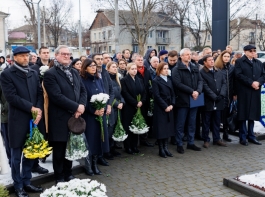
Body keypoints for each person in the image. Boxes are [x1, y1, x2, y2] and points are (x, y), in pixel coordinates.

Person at [1, 46, 44, 197]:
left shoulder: (33, 72)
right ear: (15, 58)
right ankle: (18, 185)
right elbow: (11, 97)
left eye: (27, 55)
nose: (26, 58)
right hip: (17, 120)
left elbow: (39, 93)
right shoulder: (7, 74)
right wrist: (32, 108)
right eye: (22, 56)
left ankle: (27, 181)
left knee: (30, 153)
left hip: (33, 119)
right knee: (16, 156)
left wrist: (38, 109)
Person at [43, 45, 87, 183]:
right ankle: (59, 177)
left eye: (68, 54)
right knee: (60, 150)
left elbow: (83, 91)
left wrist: (81, 106)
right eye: (63, 54)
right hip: (59, 118)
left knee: (71, 147)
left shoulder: (74, 72)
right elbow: (56, 96)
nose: (67, 56)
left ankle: (69, 173)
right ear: (56, 56)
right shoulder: (50, 74)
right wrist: (76, 107)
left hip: (75, 116)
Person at [80, 59, 109, 175]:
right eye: (91, 66)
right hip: (89, 116)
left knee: (99, 139)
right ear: (85, 67)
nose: (94, 67)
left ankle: (95, 163)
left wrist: (103, 107)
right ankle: (88, 165)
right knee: (90, 140)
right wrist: (93, 110)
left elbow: (104, 94)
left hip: (100, 115)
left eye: (95, 66)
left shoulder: (98, 79)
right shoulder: (82, 80)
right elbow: (83, 99)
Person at [172, 48, 203, 154]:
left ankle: (191, 142)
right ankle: (179, 144)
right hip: (182, 100)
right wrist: (191, 91)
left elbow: (200, 80)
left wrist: (198, 91)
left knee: (192, 122)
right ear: (181, 56)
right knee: (180, 123)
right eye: (186, 55)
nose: (189, 56)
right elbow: (178, 84)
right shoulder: (177, 69)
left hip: (194, 99)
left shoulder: (194, 67)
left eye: (190, 54)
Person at [235, 45, 265, 146]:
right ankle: (243, 137)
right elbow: (238, 75)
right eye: (251, 51)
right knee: (243, 115)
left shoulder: (258, 62)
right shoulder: (240, 62)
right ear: (245, 51)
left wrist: (258, 83)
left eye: (254, 51)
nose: (253, 52)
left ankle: (251, 136)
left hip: (255, 91)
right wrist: (251, 82)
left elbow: (263, 75)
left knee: (252, 114)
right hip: (244, 91)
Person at [200, 55, 227, 148]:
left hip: (219, 100)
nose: (212, 61)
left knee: (217, 121)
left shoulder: (218, 71)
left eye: (212, 60)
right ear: (205, 62)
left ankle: (217, 139)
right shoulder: (202, 72)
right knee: (206, 121)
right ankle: (206, 139)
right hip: (208, 101)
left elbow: (224, 83)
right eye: (209, 60)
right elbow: (204, 86)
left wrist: (222, 94)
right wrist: (213, 96)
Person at [92, 53, 114, 162]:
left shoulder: (105, 73)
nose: (100, 61)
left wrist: (109, 104)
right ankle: (96, 157)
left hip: (106, 106)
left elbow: (111, 90)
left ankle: (102, 155)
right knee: (96, 133)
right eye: (97, 59)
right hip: (95, 108)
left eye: (101, 59)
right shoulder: (91, 74)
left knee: (104, 131)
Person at [121, 62, 146, 154]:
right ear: (128, 70)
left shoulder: (139, 79)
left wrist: (142, 101)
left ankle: (134, 145)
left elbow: (144, 92)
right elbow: (125, 93)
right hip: (129, 107)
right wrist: (135, 103)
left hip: (139, 106)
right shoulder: (124, 80)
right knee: (128, 126)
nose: (135, 70)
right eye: (132, 69)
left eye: (135, 69)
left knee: (136, 125)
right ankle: (128, 146)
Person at [152, 62, 175, 158]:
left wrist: (172, 104)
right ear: (160, 70)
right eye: (164, 68)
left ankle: (166, 148)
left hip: (169, 106)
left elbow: (173, 93)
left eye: (167, 68)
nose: (166, 70)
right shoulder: (156, 80)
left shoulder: (169, 80)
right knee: (161, 129)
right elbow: (156, 96)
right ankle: (161, 149)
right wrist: (165, 106)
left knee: (168, 129)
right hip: (161, 108)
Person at [215, 50, 235, 142]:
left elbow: (234, 81)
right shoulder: (217, 68)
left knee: (227, 115)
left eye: (228, 56)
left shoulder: (232, 68)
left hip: (229, 95)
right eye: (225, 56)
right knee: (218, 117)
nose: (227, 58)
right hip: (220, 95)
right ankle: (217, 136)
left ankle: (226, 135)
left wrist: (234, 93)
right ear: (221, 57)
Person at [106, 61, 125, 157]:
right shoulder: (107, 79)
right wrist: (116, 104)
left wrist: (122, 101)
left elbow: (120, 93)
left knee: (114, 128)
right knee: (110, 128)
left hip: (118, 107)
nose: (115, 68)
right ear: (108, 68)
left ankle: (113, 148)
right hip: (111, 107)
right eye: (113, 67)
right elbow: (109, 95)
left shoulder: (117, 79)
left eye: (116, 67)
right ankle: (107, 150)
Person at [135, 54, 154, 147]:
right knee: (136, 119)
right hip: (136, 100)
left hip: (146, 99)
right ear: (134, 61)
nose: (140, 61)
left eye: (141, 59)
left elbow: (150, 82)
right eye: (138, 60)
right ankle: (135, 141)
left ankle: (144, 139)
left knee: (145, 119)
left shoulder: (146, 71)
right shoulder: (133, 71)